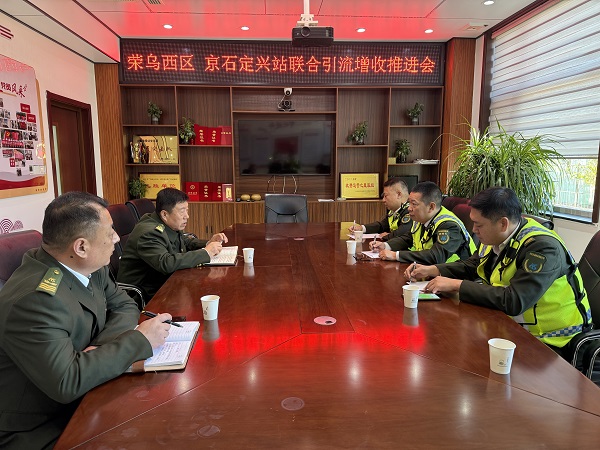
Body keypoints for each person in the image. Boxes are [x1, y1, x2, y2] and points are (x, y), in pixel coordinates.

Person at [0, 192, 171, 449]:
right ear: (81, 247)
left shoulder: (88, 265)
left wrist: (100, 348)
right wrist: (139, 340)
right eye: (110, 232)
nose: (117, 238)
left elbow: (124, 305)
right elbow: (67, 381)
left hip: (86, 395)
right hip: (43, 426)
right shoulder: (36, 300)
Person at [407, 187, 591, 353]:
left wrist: (456, 285)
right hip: (509, 327)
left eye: (479, 225)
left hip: (553, 342)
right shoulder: (498, 236)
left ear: (503, 224)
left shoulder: (543, 248)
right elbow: (473, 265)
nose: (474, 230)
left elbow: (514, 300)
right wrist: (433, 270)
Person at [117, 188, 228, 298]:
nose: (187, 216)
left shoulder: (167, 223)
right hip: (144, 294)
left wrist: (208, 243)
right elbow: (166, 263)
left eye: (187, 210)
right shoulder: (149, 233)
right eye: (182, 211)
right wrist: (206, 253)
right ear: (165, 214)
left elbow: (184, 241)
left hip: (164, 282)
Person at [373, 181, 476, 263]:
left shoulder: (449, 226)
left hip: (455, 276)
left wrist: (396, 255)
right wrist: (386, 245)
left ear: (431, 207)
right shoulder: (422, 218)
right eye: (409, 203)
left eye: (414, 204)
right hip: (431, 271)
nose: (409, 208)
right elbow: (408, 238)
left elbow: (436, 256)